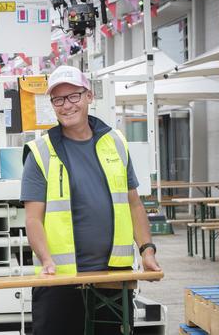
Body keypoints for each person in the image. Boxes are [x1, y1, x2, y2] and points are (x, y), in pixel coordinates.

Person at [21, 65, 160, 335]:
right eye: (58, 99)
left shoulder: (116, 142)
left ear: (89, 96)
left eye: (73, 96)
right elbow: (33, 218)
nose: (66, 105)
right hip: (60, 281)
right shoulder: (40, 152)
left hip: (112, 277)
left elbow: (134, 204)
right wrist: (46, 259)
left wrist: (147, 250)